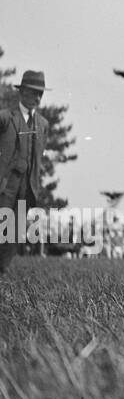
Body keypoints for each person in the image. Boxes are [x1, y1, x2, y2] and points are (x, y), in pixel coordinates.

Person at [0, 70, 50, 274]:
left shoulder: (43, 125)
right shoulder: (4, 117)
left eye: (40, 94)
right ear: (22, 92)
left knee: (16, 231)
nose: (37, 97)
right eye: (33, 92)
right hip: (5, 185)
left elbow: (38, 157)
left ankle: (2, 270)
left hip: (27, 187)